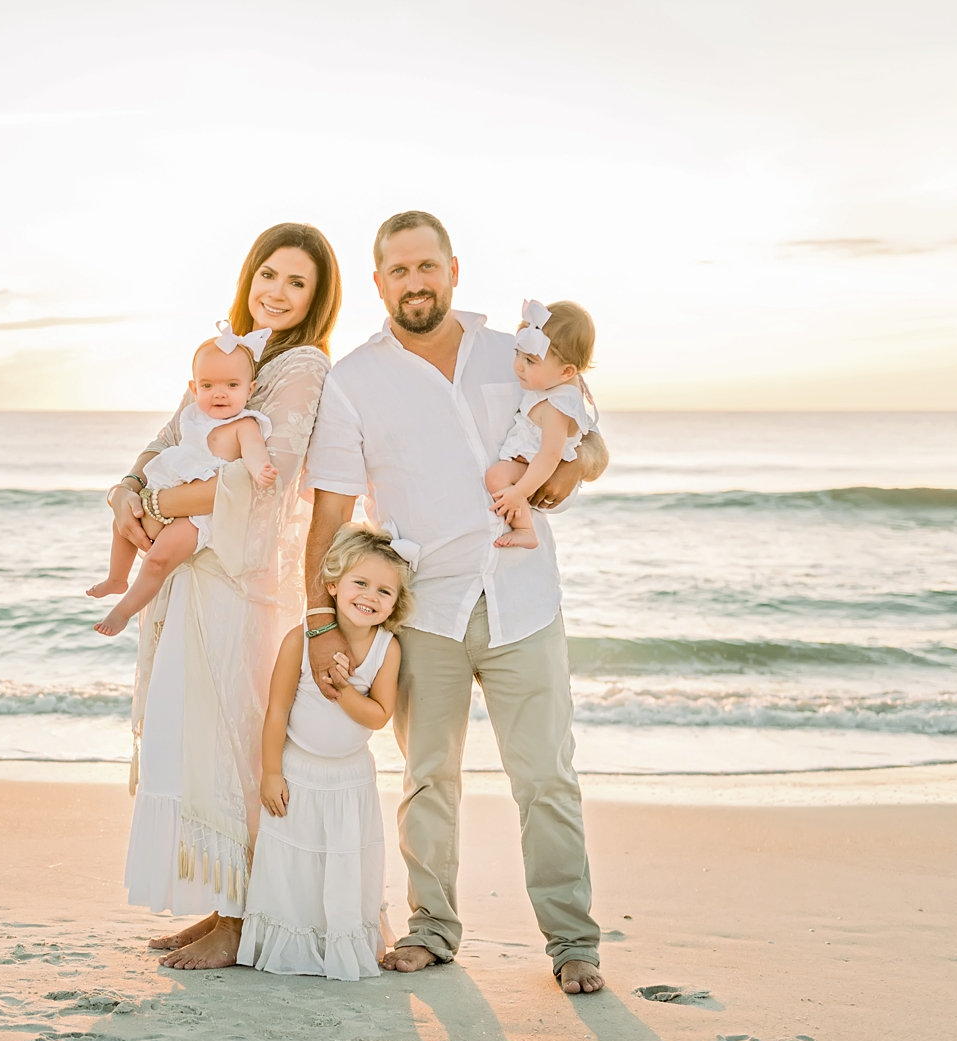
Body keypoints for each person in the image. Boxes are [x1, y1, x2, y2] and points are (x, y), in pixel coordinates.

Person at [302, 210, 610, 995]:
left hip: (522, 600)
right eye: (398, 271)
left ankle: (573, 943)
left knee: (546, 777)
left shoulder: (517, 353)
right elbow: (333, 511)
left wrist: (562, 481)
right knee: (427, 776)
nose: (414, 282)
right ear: (379, 283)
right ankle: (432, 930)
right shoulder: (354, 381)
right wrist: (320, 620)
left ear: (452, 270)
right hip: (425, 609)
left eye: (426, 266)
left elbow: (588, 441)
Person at [107, 222, 342, 970]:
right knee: (198, 738)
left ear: (316, 298)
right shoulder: (234, 355)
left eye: (296, 282)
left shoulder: (300, 365)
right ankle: (219, 905)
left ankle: (244, 919)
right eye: (268, 274)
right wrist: (128, 489)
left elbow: (258, 478)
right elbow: (165, 441)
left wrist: (166, 506)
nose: (276, 291)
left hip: (240, 582)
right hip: (197, 578)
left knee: (236, 741)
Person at [237, 524, 413, 981]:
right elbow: (276, 712)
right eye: (360, 583)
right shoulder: (300, 639)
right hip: (298, 771)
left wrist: (341, 691)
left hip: (350, 780)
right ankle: (294, 942)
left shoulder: (386, 648)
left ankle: (336, 941)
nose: (370, 597)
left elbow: (378, 715)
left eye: (384, 591)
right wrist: (271, 773)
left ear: (396, 604)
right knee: (296, 861)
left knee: (342, 859)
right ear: (332, 586)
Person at [88, 324, 279, 636]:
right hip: (171, 486)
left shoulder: (245, 424)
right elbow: (166, 443)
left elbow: (255, 452)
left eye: (232, 385)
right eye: (208, 385)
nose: (219, 393)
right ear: (194, 387)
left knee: (158, 560)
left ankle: (122, 612)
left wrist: (262, 470)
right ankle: (116, 577)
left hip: (198, 515)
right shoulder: (192, 416)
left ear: (251, 388)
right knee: (121, 523)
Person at [485, 298, 600, 549]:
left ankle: (525, 529)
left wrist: (520, 492)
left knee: (496, 477)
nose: (518, 366)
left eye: (530, 361)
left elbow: (550, 455)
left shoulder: (557, 406)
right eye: (518, 354)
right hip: (530, 460)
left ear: (567, 372)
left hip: (535, 465)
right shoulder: (553, 384)